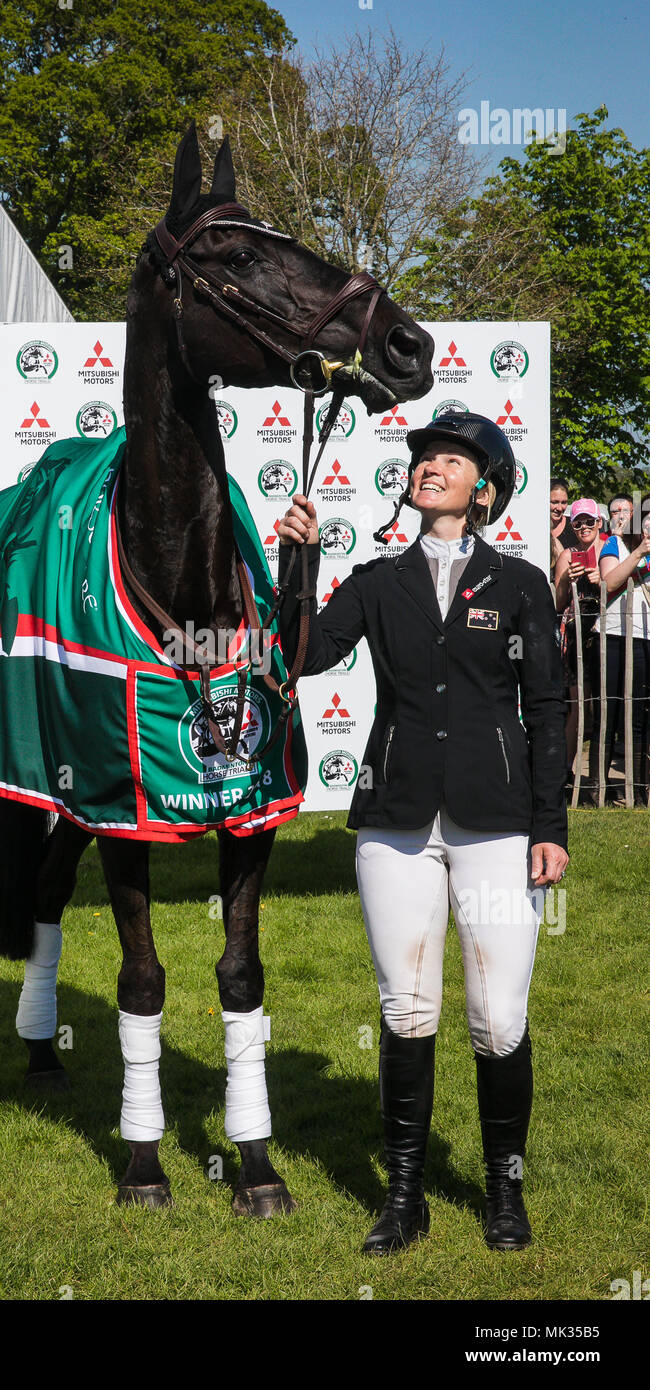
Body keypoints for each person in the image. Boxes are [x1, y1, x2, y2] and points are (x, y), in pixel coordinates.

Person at [276, 410, 568, 1255]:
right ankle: (404, 1199)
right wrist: (300, 558)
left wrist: (549, 825)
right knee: (405, 1010)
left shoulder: (520, 585)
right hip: (395, 823)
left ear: (486, 489)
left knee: (498, 1018)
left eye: (451, 458)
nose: (430, 466)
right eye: (425, 456)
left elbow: (546, 708)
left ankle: (503, 1194)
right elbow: (298, 655)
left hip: (499, 827)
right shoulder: (374, 580)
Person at [589, 504, 650, 804]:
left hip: (645, 637)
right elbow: (608, 582)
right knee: (608, 714)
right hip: (613, 634)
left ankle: (638, 791)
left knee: (639, 717)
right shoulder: (617, 544)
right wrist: (639, 553)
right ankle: (598, 789)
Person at [553, 500, 607, 792]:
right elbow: (558, 602)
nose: (584, 527)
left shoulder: (610, 549)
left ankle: (599, 779)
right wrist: (566, 579)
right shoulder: (568, 554)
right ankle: (564, 773)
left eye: (589, 521)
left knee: (606, 705)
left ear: (599, 521)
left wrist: (603, 580)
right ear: (572, 527)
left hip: (609, 635)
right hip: (576, 636)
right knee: (578, 707)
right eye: (578, 523)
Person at [550, 478, 578, 577]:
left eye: (564, 502)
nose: (559, 508)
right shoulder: (536, 528)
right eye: (554, 502)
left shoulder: (575, 526)